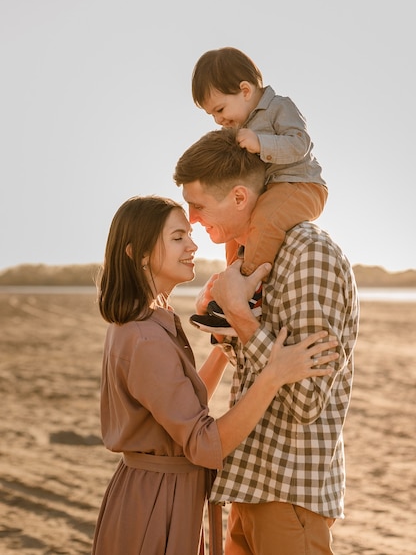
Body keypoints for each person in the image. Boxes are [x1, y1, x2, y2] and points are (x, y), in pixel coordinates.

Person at [91, 195, 339, 555]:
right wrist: (274, 374)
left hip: (155, 492)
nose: (193, 245)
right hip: (156, 505)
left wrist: (224, 346)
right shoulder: (144, 337)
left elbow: (182, 406)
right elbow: (205, 443)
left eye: (190, 235)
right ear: (139, 253)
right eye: (178, 238)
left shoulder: (147, 320)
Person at [173, 129, 359, 555]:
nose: (193, 219)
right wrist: (228, 329)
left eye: (198, 205)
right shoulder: (253, 258)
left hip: (289, 495)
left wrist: (239, 314)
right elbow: (267, 367)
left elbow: (307, 400)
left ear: (240, 197)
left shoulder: (308, 253)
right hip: (254, 486)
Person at [190, 46, 328, 336]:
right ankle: (230, 284)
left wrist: (260, 142)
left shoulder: (280, 107)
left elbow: (300, 143)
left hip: (300, 184)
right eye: (210, 115)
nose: (218, 119)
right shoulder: (239, 123)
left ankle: (249, 294)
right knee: (234, 229)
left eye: (219, 109)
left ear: (244, 90)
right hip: (271, 190)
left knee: (265, 219)